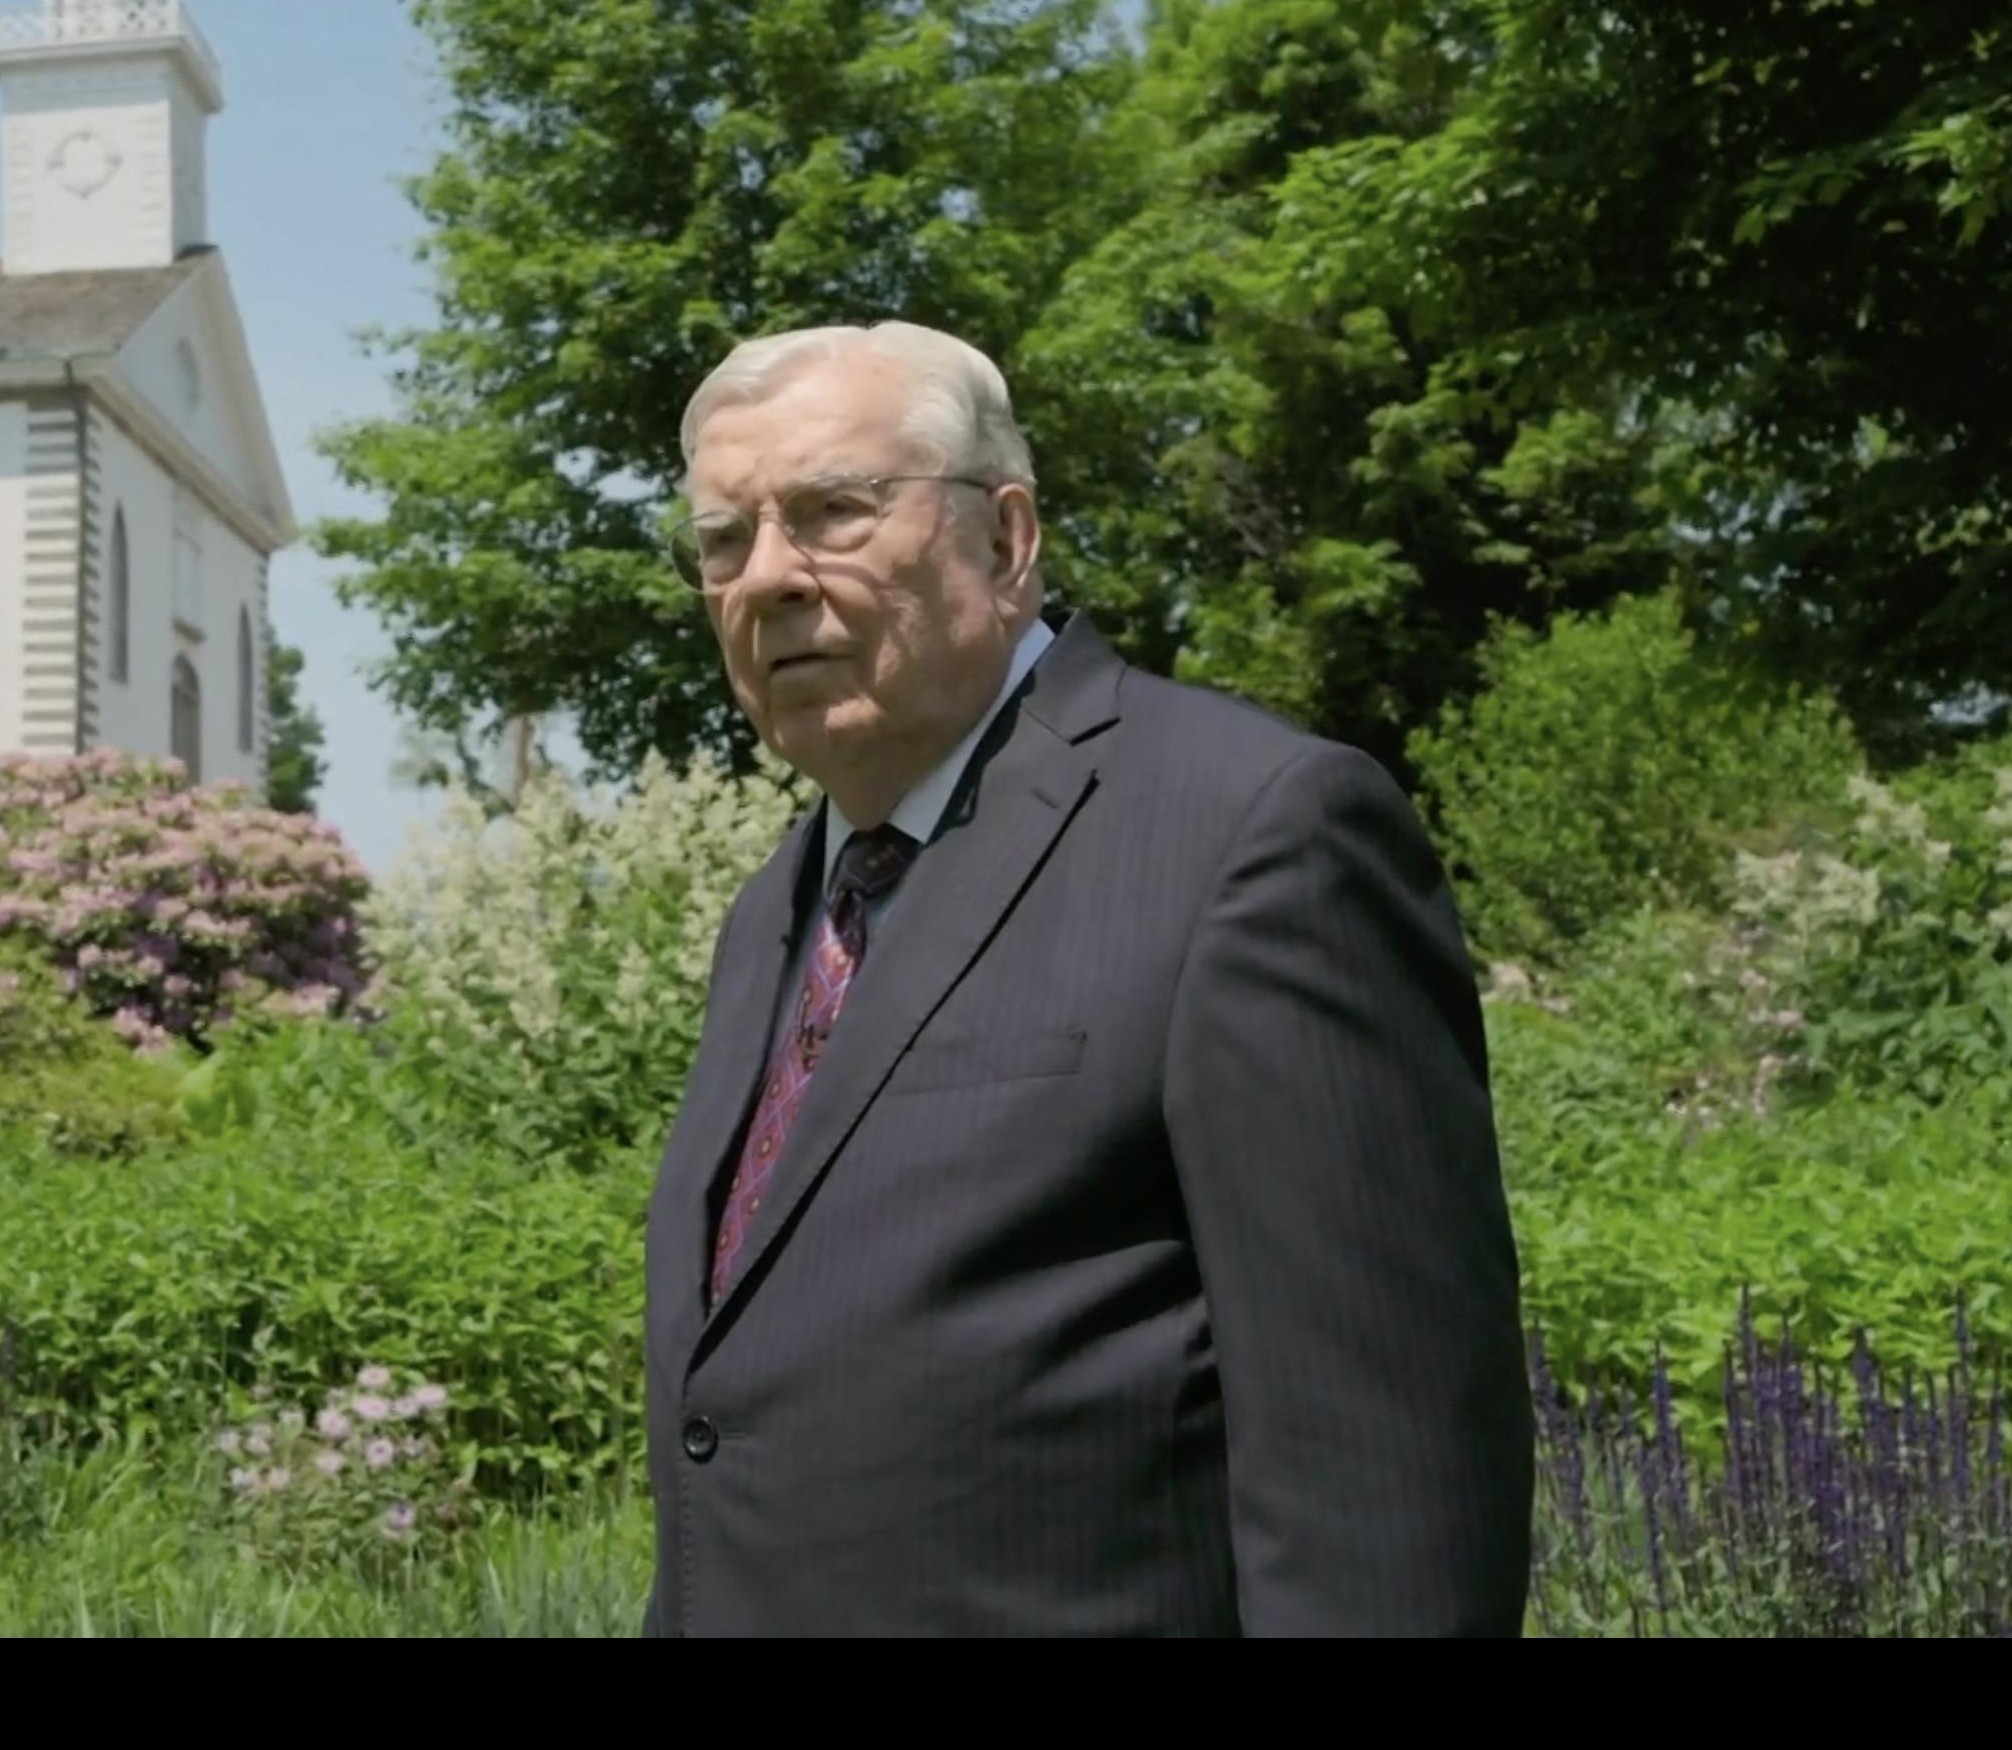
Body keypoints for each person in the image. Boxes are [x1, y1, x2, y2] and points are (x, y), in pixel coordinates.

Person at [640, 321, 1533, 1637]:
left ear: (1006, 541)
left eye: (834, 511)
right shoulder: (781, 905)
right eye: (726, 538)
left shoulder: (1249, 834)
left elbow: (1387, 1492)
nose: (769, 577)